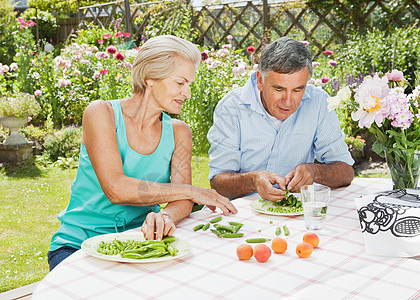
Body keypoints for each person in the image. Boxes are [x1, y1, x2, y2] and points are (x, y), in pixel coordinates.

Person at [47, 35, 237, 271]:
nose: (187, 93)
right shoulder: (101, 113)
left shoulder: (179, 132)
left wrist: (166, 217)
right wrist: (191, 190)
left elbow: (181, 202)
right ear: (150, 78)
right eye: (180, 83)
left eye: (189, 85)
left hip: (141, 244)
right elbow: (117, 189)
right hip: (78, 245)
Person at [207, 37, 354, 201]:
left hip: (292, 215)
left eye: (298, 89)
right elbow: (218, 182)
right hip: (239, 213)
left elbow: (346, 172)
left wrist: (315, 171)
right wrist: (253, 180)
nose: (288, 101)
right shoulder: (231, 108)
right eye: (279, 89)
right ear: (260, 81)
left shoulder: (318, 102)